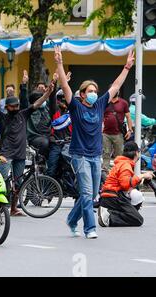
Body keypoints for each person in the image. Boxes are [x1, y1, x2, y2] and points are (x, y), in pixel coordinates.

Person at [55, 46, 135, 239]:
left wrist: (126, 67)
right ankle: (90, 229)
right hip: (79, 155)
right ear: (82, 94)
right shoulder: (75, 106)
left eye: (95, 91)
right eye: (89, 91)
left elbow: (115, 86)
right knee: (86, 192)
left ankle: (72, 220)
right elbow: (65, 87)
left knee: (90, 195)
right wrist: (59, 64)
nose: (93, 93)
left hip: (95, 155)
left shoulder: (99, 104)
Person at [0, 77, 54, 216]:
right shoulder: (2, 117)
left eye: (16, 106)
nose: (15, 108)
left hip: (20, 154)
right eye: (12, 106)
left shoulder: (23, 114)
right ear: (7, 107)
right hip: (5, 154)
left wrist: (48, 93)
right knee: (1, 181)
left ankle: (14, 208)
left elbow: (38, 103)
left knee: (19, 183)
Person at [99, 141, 154, 227]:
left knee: (136, 195)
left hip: (109, 196)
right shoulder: (125, 165)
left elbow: (127, 183)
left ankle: (115, 214)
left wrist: (142, 178)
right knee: (138, 219)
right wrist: (142, 176)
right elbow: (125, 184)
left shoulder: (123, 163)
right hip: (112, 197)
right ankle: (109, 217)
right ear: (136, 153)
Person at [47, 78, 73, 178]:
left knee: (72, 169)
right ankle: (48, 189)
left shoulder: (72, 112)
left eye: (65, 99)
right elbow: (52, 97)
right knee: (51, 169)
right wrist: (55, 82)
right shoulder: (55, 110)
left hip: (69, 144)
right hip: (56, 144)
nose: (62, 101)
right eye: (60, 99)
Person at [102, 90, 133, 170]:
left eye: (117, 90)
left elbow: (128, 117)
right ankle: (104, 172)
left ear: (118, 92)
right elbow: (100, 116)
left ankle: (119, 171)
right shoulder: (105, 102)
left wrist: (129, 130)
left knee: (119, 155)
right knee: (106, 153)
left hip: (118, 134)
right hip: (105, 133)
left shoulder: (123, 103)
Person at [26, 90, 52, 157]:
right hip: (35, 136)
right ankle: (41, 160)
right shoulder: (29, 111)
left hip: (48, 135)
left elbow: (53, 99)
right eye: (40, 99)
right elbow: (23, 101)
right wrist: (23, 85)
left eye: (43, 99)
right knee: (45, 143)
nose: (42, 101)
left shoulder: (47, 108)